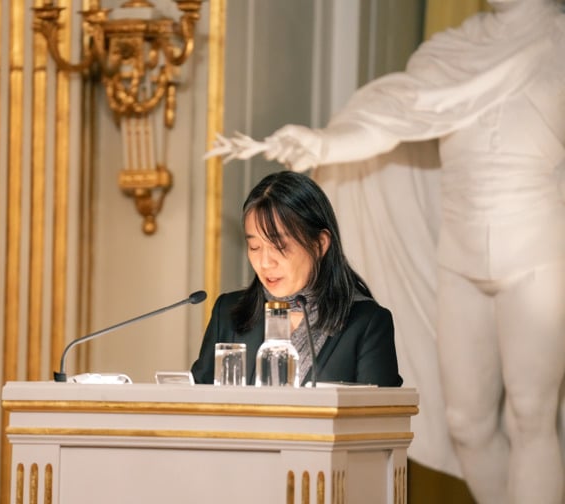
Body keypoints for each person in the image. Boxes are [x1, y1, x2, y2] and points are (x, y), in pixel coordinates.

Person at [209, 1, 565, 502]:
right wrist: (324, 143)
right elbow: (394, 119)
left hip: (537, 250)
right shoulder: (453, 50)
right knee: (466, 423)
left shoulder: (557, 38)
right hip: (461, 255)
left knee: (532, 414)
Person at [190, 171, 403, 388]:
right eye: (255, 247)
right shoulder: (227, 313)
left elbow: (380, 418)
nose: (265, 262)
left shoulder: (367, 324)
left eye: (279, 247)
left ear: (320, 244)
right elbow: (196, 406)